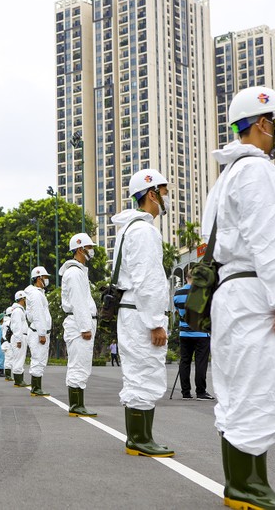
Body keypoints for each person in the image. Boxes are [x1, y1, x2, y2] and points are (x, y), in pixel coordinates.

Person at [203, 86, 275, 509]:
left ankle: (242, 484)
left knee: (236, 389)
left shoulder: (226, 178)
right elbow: (273, 238)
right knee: (261, 385)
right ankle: (248, 486)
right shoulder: (258, 172)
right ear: (262, 124)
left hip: (230, 293)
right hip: (255, 290)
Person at [111, 167, 173, 458]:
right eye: (163, 191)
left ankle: (140, 436)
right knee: (144, 373)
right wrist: (156, 322)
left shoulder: (128, 230)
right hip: (140, 312)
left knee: (138, 374)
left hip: (132, 311)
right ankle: (139, 438)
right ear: (151, 194)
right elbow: (148, 281)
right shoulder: (145, 231)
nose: (165, 198)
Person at [59, 232, 99, 417]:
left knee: (81, 363)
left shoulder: (79, 272)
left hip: (80, 322)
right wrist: (85, 327)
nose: (91, 251)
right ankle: (76, 405)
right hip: (79, 323)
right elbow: (78, 302)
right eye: (89, 247)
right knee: (78, 364)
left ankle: (78, 404)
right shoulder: (74, 273)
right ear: (81, 249)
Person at [173, 273, 214, 401]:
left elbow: (178, 312)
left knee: (185, 361)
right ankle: (201, 392)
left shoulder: (178, 293)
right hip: (201, 333)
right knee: (200, 362)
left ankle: (186, 392)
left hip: (184, 333)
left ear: (186, 278)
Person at [25, 266, 52, 397]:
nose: (47, 280)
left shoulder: (38, 293)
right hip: (38, 331)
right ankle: (36, 388)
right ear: (39, 278)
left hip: (40, 331)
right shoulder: (35, 294)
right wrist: (42, 333)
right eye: (45, 277)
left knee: (41, 359)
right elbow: (38, 315)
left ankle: (37, 387)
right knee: (37, 359)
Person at [10, 291, 29, 388]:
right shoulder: (18, 311)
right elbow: (17, 326)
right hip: (20, 336)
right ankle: (18, 380)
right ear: (22, 299)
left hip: (21, 336)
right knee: (19, 358)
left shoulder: (19, 310)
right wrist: (18, 340)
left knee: (20, 358)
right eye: (25, 298)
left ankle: (19, 379)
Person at [0, 307, 13, 381]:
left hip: (5, 342)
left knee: (7, 359)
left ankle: (8, 375)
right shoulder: (9, 322)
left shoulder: (5, 322)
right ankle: (8, 376)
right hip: (8, 342)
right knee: (9, 359)